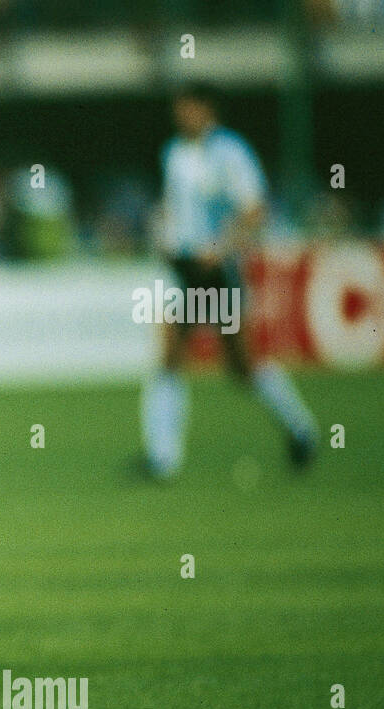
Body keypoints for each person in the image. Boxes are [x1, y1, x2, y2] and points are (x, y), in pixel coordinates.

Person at [142, 83, 318, 479]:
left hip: (218, 270)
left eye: (188, 108)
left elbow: (255, 208)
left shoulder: (230, 151)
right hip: (183, 268)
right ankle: (162, 458)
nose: (181, 115)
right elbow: (174, 208)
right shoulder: (173, 152)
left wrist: (220, 246)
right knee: (169, 354)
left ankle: (300, 428)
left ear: (206, 109)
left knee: (241, 365)